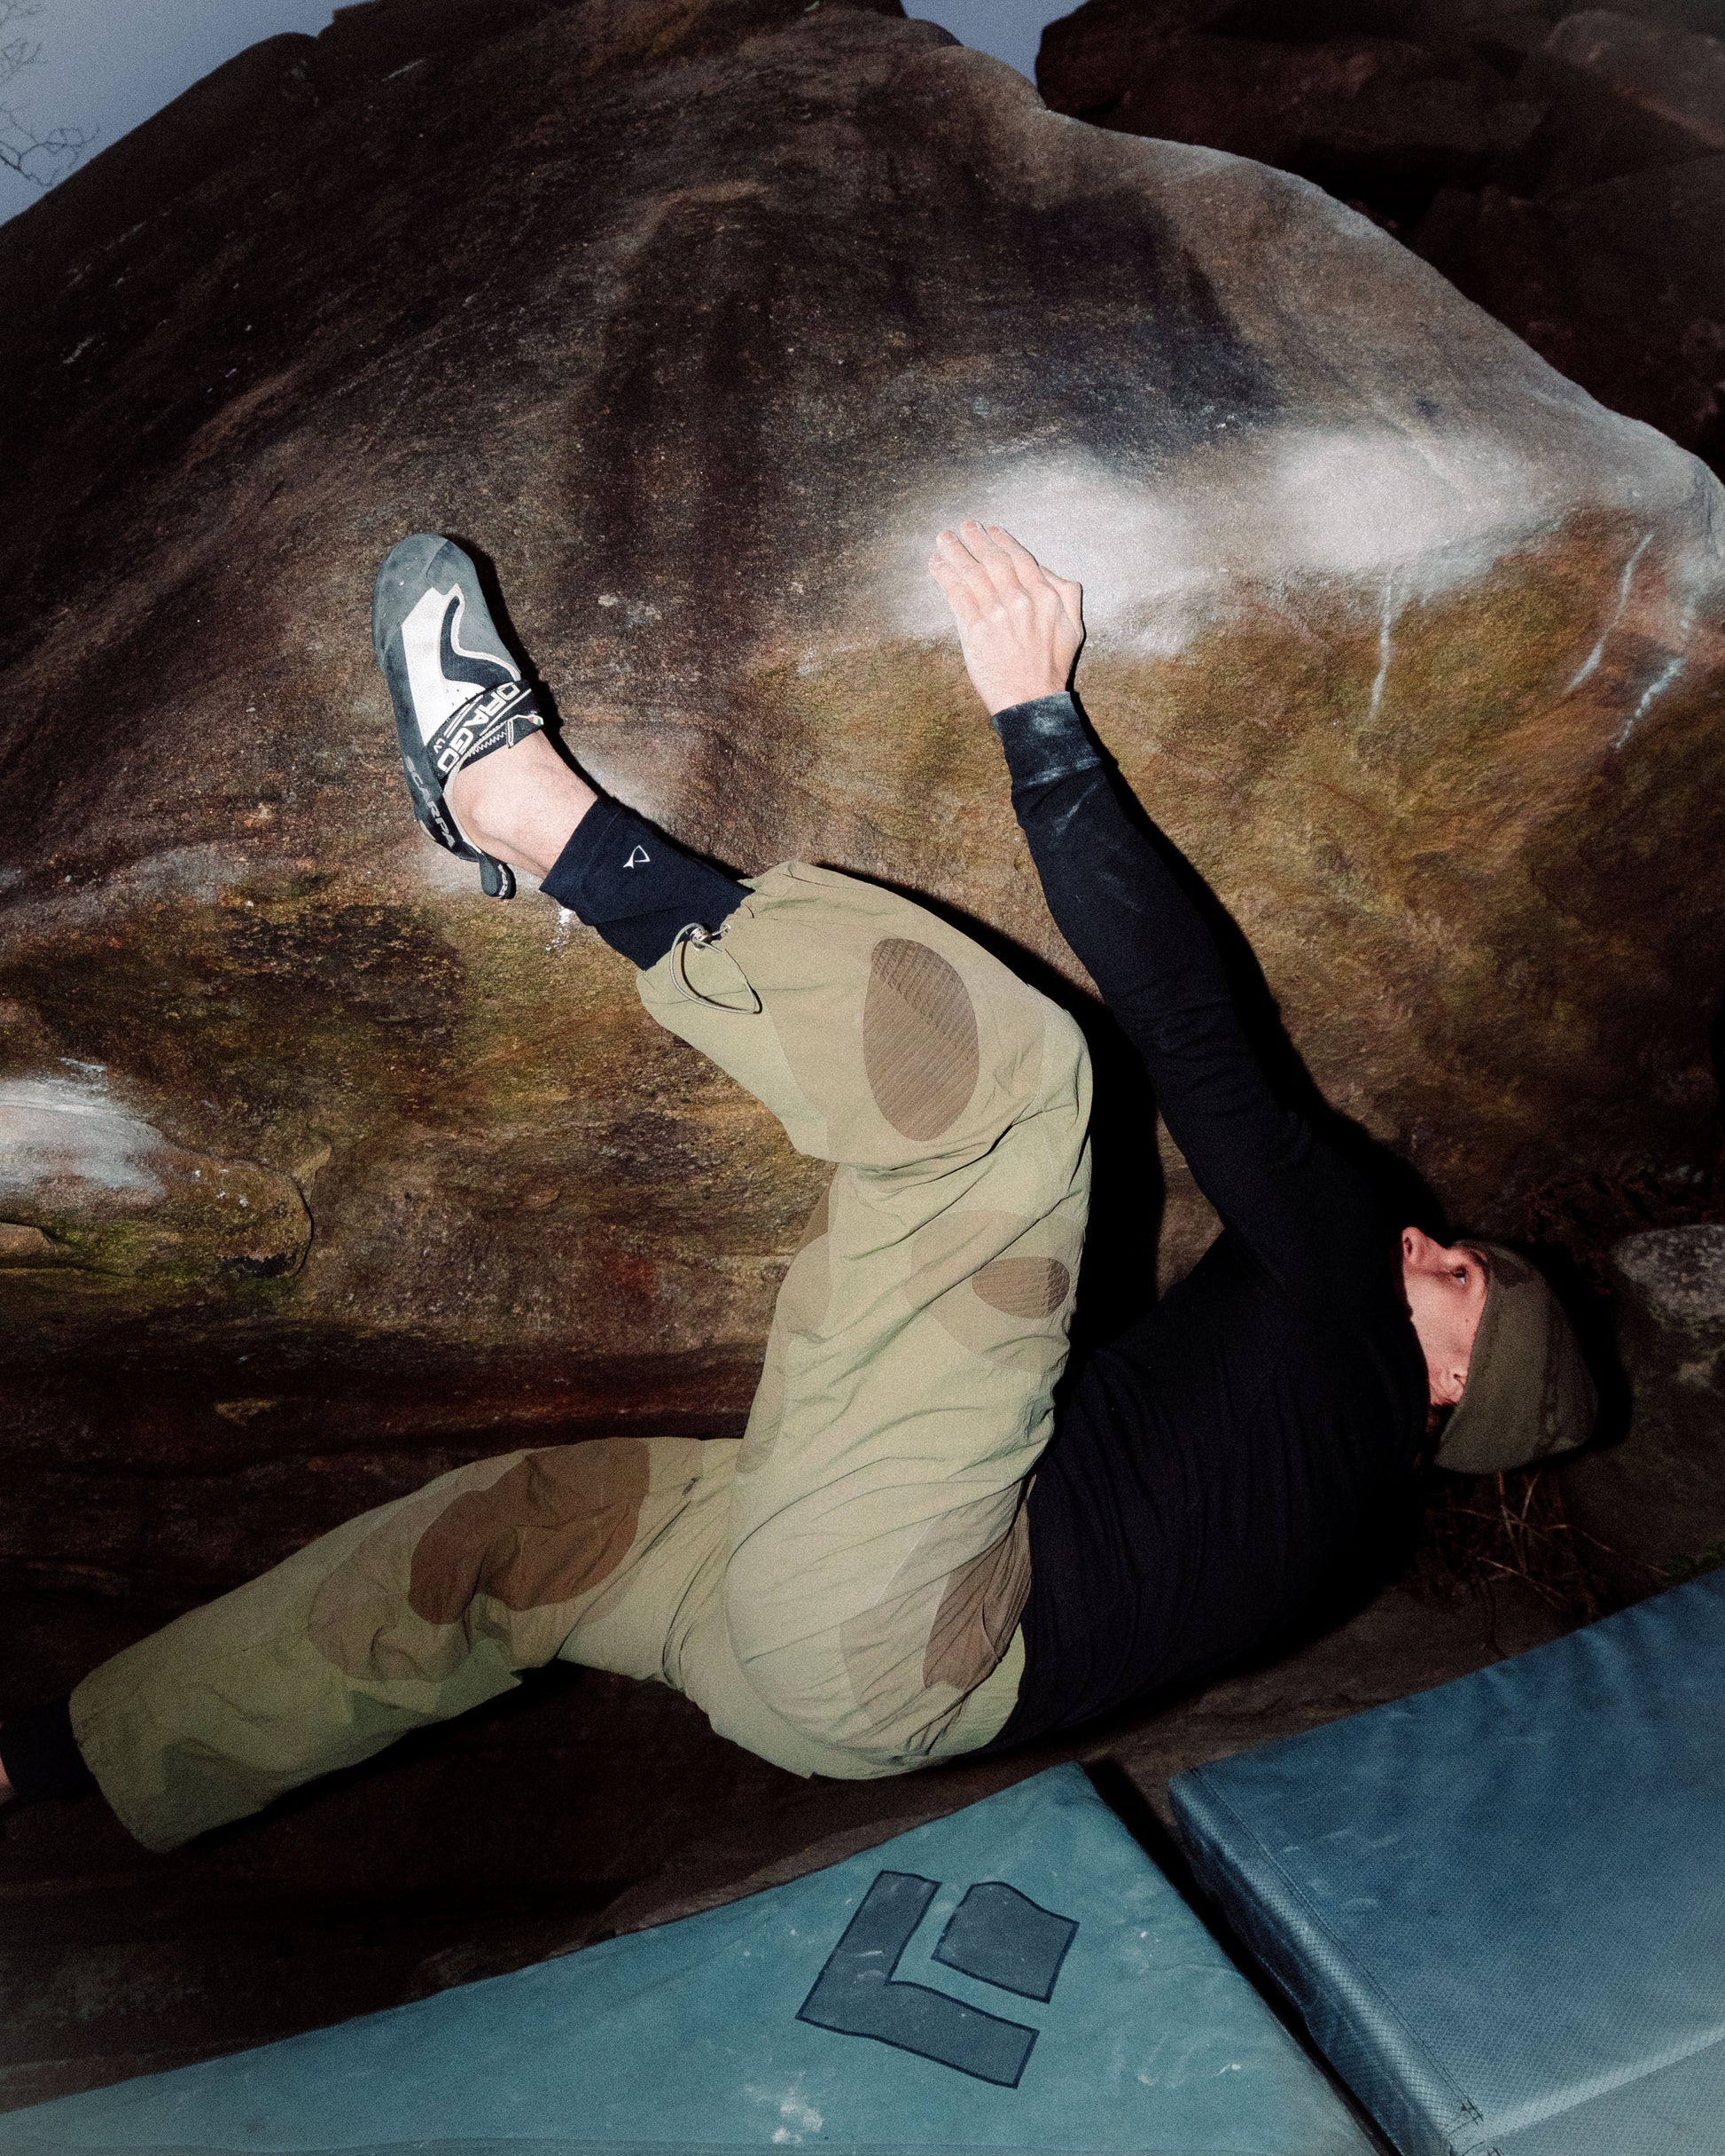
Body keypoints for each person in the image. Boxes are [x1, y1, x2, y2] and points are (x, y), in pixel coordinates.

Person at [0, 524, 1596, 1842]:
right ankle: (57, 1763)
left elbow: (1196, 1029)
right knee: (508, 1542)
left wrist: (1038, 715)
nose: (1422, 1240)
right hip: (834, 1702)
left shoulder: (1354, 1312)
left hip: (901, 1618)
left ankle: (517, 806)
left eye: (1455, 1269)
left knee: (1009, 1099)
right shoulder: (1335, 1515)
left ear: (1456, 1378)